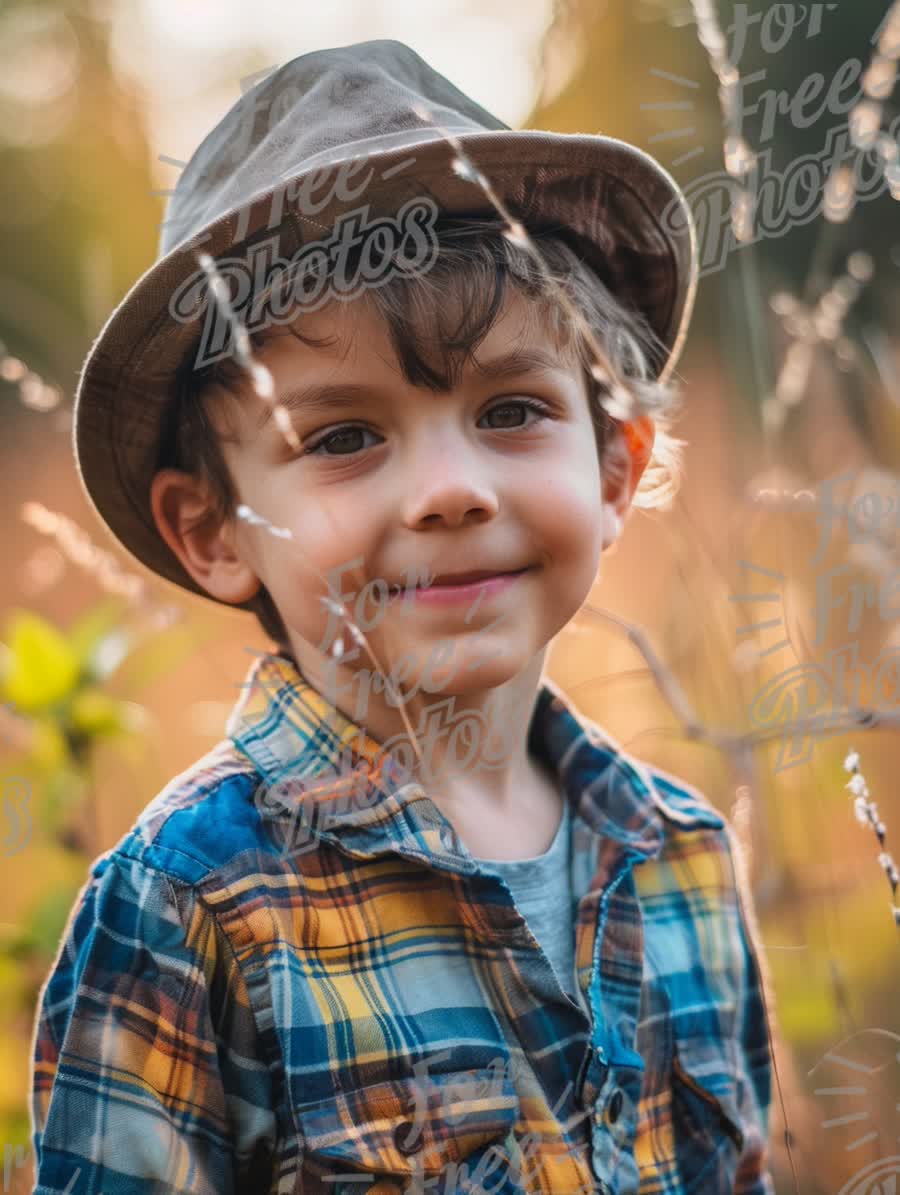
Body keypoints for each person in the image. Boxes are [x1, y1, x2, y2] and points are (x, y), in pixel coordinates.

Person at [29, 40, 776, 1194]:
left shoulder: (685, 860)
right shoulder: (190, 908)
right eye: (342, 437)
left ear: (617, 465)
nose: (449, 490)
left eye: (514, 408)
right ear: (215, 531)